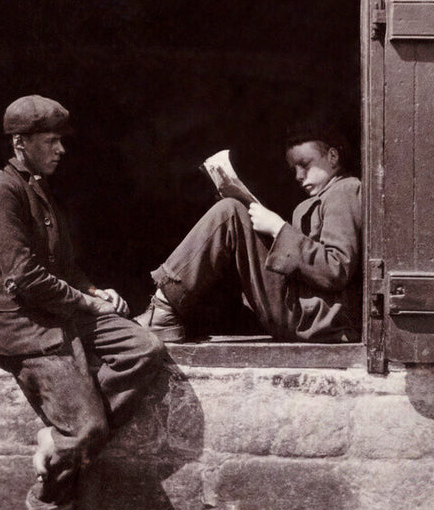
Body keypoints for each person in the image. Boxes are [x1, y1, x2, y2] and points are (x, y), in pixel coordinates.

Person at [0, 95, 164, 510]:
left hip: (64, 313)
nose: (61, 150)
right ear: (21, 144)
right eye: (50, 141)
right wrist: (88, 303)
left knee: (146, 349)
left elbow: (61, 266)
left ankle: (57, 437)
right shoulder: (0, 194)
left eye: (60, 140)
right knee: (89, 431)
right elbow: (26, 279)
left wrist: (95, 290)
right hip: (25, 327)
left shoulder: (41, 190)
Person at [136, 121, 362, 343]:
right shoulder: (316, 200)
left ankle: (163, 310)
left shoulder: (345, 190)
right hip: (306, 312)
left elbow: (336, 268)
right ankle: (166, 310)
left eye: (305, 164)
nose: (298, 176)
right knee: (234, 212)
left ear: (333, 157)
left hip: (318, 318)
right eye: (294, 169)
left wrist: (278, 228)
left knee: (230, 212)